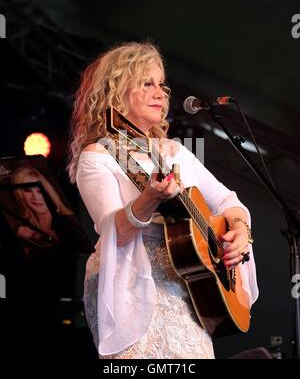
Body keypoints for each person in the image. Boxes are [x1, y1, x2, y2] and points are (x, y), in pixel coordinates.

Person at [68, 42, 258, 359]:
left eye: (162, 85)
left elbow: (228, 200)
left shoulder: (175, 152)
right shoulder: (98, 156)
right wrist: (150, 198)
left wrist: (239, 231)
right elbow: (113, 230)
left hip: (187, 299)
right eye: (147, 83)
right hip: (133, 297)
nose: (161, 93)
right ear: (117, 90)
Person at [11, 166, 73, 256]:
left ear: (49, 192)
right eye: (28, 190)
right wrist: (24, 244)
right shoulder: (23, 228)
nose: (35, 197)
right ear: (20, 194)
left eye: (39, 191)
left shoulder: (67, 222)